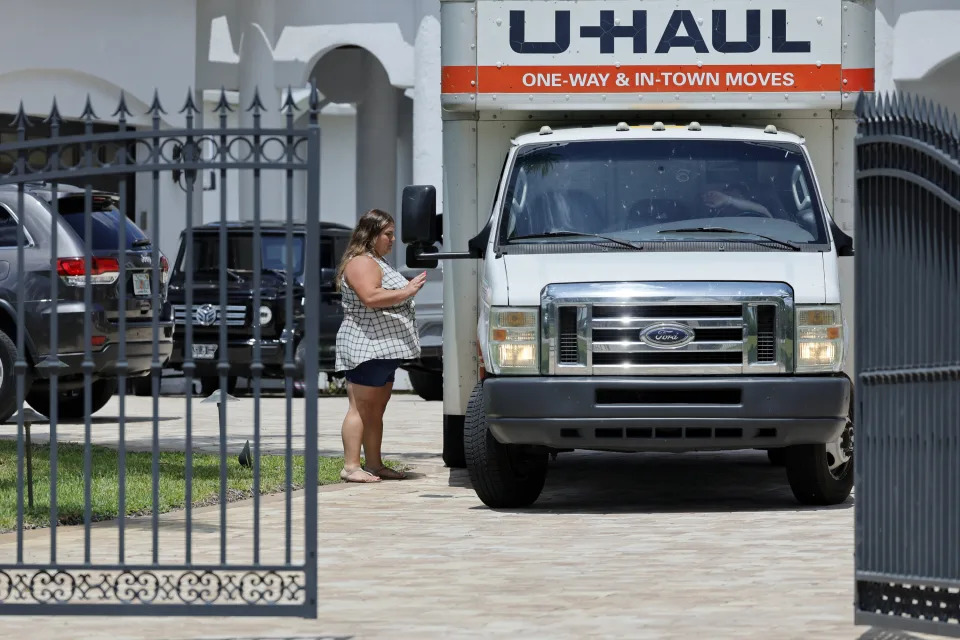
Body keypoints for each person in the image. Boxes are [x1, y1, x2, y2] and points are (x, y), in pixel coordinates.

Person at [334, 209, 427, 483]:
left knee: (376, 409)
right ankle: (351, 467)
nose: (393, 239)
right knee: (360, 407)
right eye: (387, 234)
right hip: (368, 347)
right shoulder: (361, 262)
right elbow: (371, 297)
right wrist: (408, 291)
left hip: (383, 349)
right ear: (371, 234)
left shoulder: (375, 260)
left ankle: (373, 464)